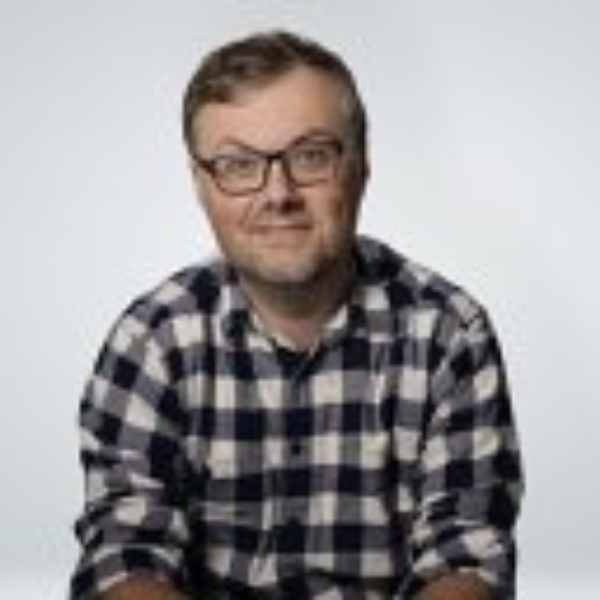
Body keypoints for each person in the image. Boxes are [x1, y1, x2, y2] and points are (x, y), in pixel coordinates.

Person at [70, 30, 524, 599]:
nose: (278, 193)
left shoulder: (448, 334)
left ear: (360, 167)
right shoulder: (150, 342)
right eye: (238, 164)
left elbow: (467, 558)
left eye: (311, 156)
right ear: (201, 185)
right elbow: (125, 556)